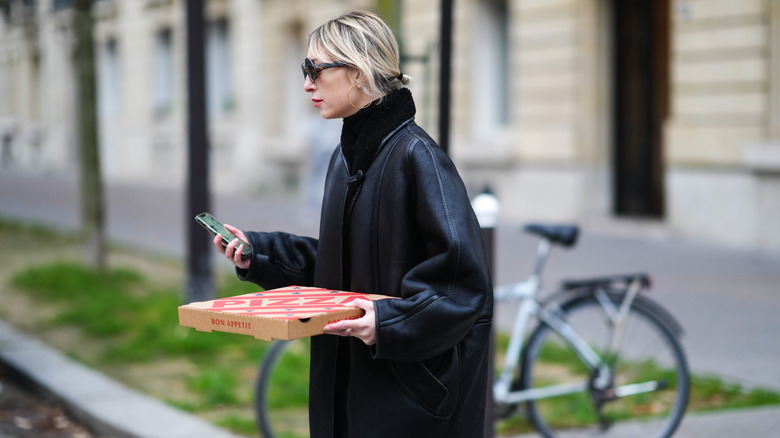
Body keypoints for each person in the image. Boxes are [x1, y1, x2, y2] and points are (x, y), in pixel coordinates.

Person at [213, 10, 493, 438]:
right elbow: (337, 268)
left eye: (315, 69)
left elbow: (462, 288)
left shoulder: (419, 158)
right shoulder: (345, 157)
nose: (306, 83)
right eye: (304, 69)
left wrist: (386, 321)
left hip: (407, 404)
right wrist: (260, 252)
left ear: (359, 73)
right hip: (347, 391)